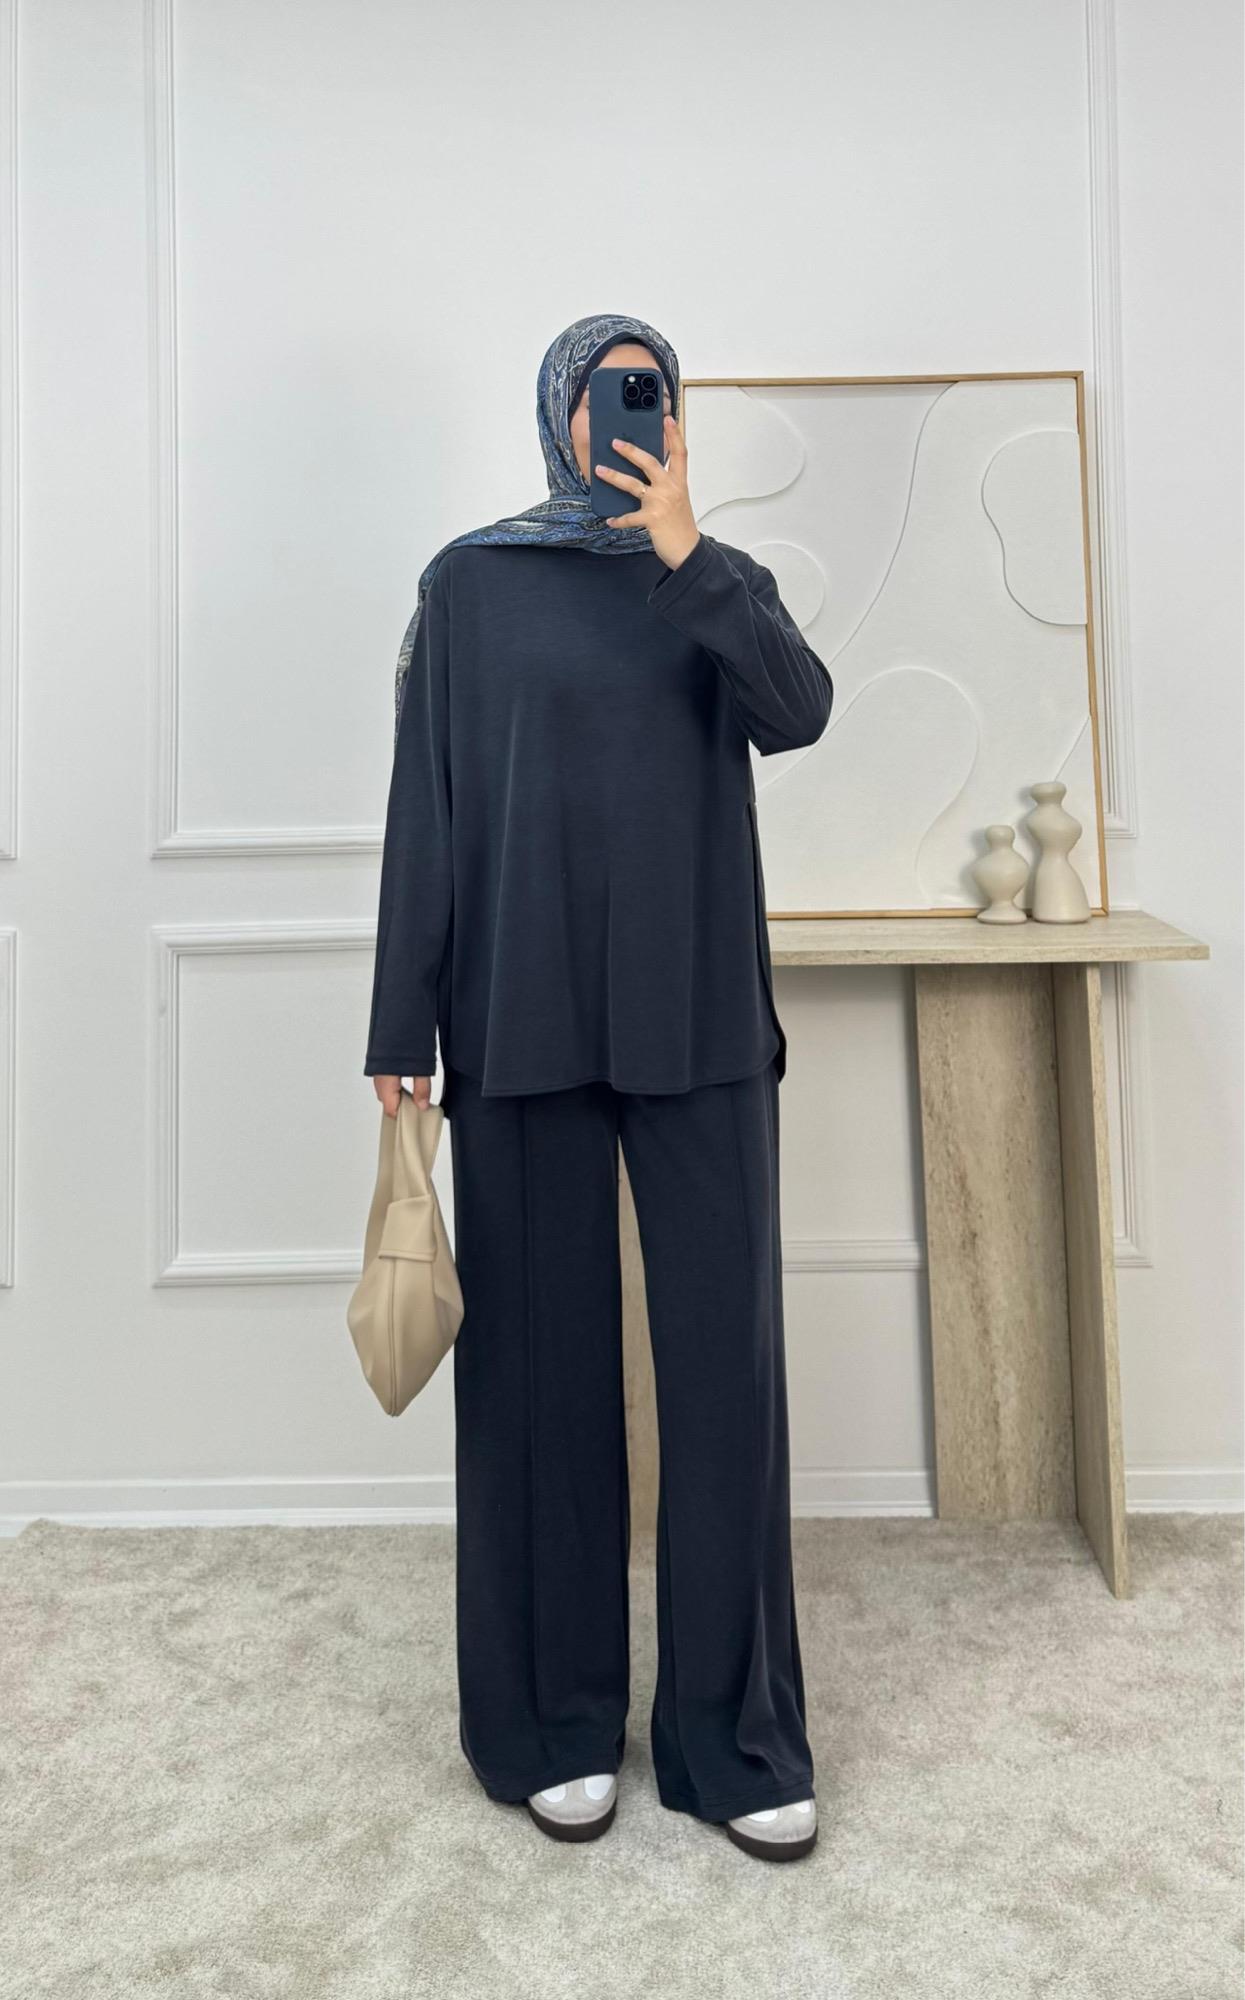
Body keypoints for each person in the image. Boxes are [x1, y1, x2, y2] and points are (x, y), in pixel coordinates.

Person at [364, 312, 834, 1862]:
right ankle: (550, 1722)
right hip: (520, 1015)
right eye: (611, 391)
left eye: (657, 391)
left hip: (700, 1021)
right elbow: (428, 805)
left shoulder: (718, 580)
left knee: (724, 1385)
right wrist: (400, 1020)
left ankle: (733, 1739)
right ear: (559, 412)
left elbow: (798, 711)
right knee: (536, 1383)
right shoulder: (469, 585)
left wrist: (687, 551)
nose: (633, 414)